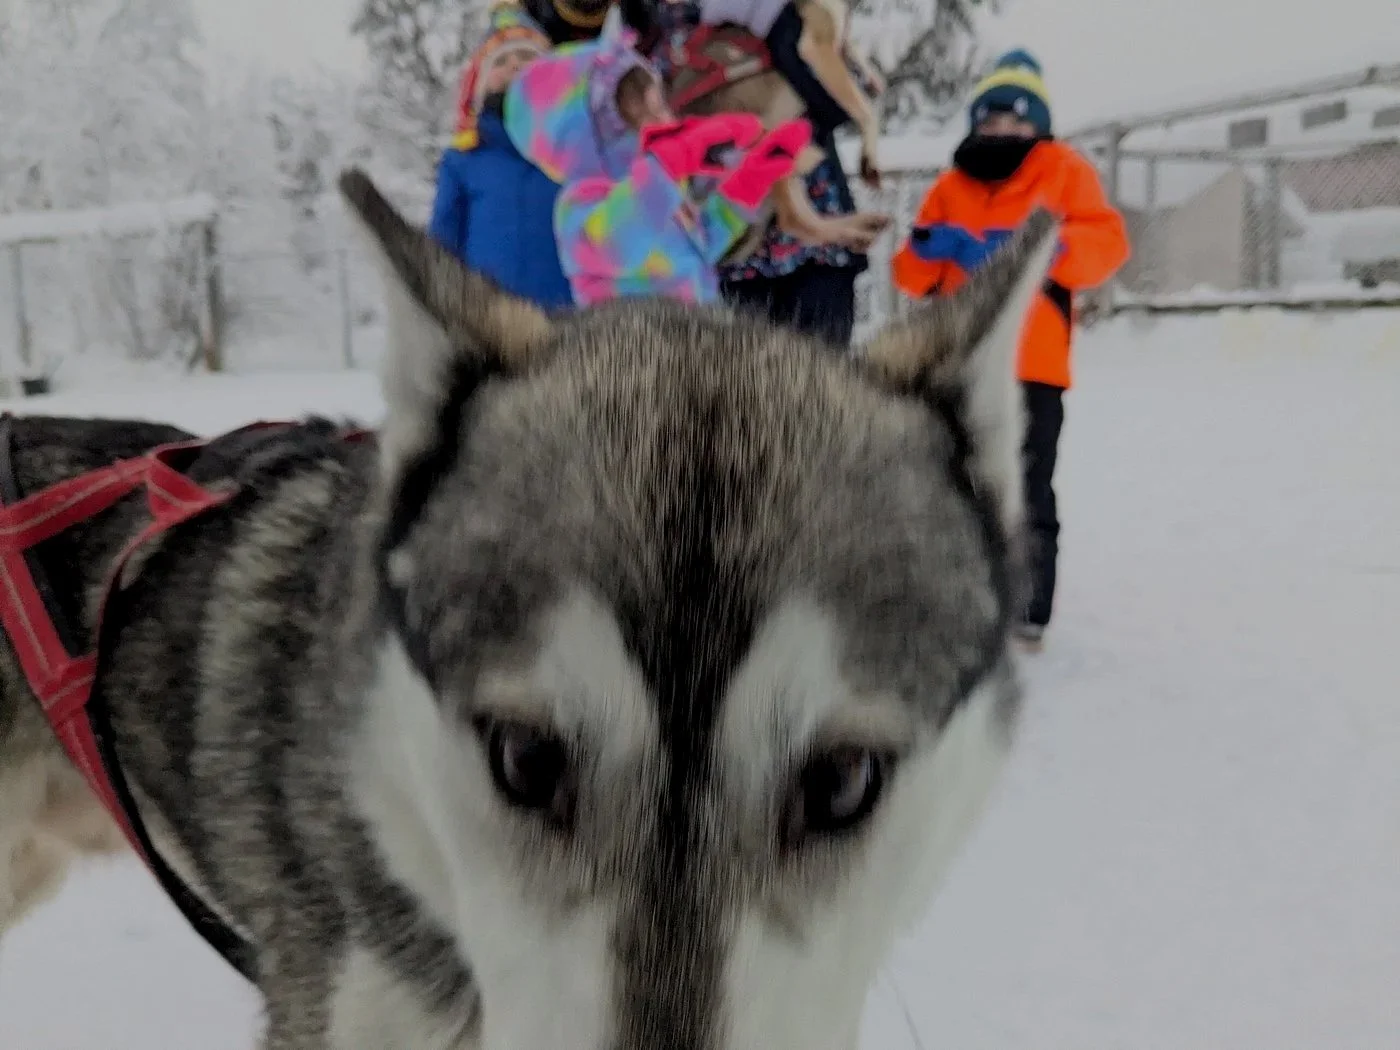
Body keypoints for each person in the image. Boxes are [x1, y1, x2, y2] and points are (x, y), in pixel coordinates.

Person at [890, 49, 1131, 649]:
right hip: (951, 361)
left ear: (1040, 125)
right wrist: (925, 249)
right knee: (940, 479)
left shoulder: (1064, 171)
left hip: (1030, 363)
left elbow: (1107, 244)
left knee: (1025, 484)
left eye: (1017, 121)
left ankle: (1027, 608)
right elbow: (910, 277)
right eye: (991, 120)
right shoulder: (951, 184)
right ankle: (944, 600)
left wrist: (1037, 249)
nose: (1003, 131)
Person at [503, 14, 808, 306]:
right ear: (592, 135)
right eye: (640, 112)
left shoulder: (660, 187)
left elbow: (701, 245)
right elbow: (623, 238)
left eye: (659, 102)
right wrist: (667, 164)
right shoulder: (578, 207)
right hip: (630, 352)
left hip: (703, 341)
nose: (663, 119)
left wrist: (743, 190)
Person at [636, 0, 887, 348]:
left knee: (822, 388)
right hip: (728, 255)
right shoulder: (647, 34)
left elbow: (840, 96)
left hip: (813, 249)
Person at [428, 3, 574, 310]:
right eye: (500, 61)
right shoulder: (463, 159)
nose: (514, 66)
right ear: (479, 84)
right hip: (492, 325)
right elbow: (443, 246)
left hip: (574, 323)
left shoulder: (575, 152)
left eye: (526, 57)